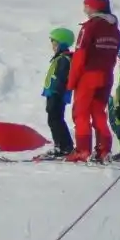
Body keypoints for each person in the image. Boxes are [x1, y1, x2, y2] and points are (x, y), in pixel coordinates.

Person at [66, 0, 120, 163]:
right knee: (98, 112)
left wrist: (72, 81)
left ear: (93, 8)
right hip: (106, 75)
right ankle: (104, 150)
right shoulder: (114, 29)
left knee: (81, 113)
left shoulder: (89, 27)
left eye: (86, 5)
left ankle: (83, 150)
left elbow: (80, 56)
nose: (85, 8)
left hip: (88, 76)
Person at [37, 27, 75, 160]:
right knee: (54, 119)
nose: (52, 46)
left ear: (62, 44)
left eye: (54, 43)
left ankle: (64, 147)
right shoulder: (60, 58)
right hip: (53, 93)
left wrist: (57, 93)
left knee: (55, 120)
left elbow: (62, 77)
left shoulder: (64, 59)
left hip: (57, 94)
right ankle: (62, 146)